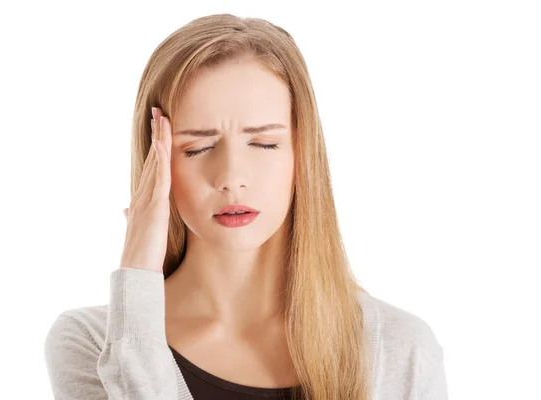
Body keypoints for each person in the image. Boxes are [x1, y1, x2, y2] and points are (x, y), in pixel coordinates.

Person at [44, 13, 448, 400]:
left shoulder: (400, 349)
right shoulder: (94, 343)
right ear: (156, 162)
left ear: (301, 153)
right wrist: (136, 276)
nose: (231, 176)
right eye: (197, 148)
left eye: (264, 143)